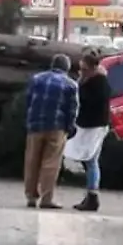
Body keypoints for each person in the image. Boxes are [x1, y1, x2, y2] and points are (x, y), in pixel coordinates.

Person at [23, 54, 79, 209]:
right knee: (51, 163)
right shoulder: (71, 85)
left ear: (52, 65)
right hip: (57, 127)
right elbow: (72, 110)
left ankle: (31, 197)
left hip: (35, 125)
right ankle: (46, 198)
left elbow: (28, 101)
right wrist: (70, 128)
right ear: (67, 68)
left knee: (32, 161)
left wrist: (29, 120)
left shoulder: (36, 79)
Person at [64, 51, 112, 212]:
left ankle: (92, 195)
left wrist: (80, 86)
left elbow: (88, 100)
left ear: (93, 68)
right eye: (81, 69)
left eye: (84, 69)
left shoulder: (99, 82)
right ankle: (90, 193)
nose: (82, 72)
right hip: (89, 124)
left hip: (95, 125)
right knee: (88, 160)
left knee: (91, 160)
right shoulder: (91, 80)